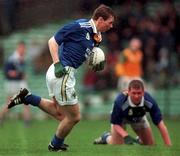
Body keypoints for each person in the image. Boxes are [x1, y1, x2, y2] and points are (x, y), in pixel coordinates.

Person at [7, 4, 115, 152]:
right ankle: (54, 145)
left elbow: (86, 54)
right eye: (109, 22)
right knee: (74, 117)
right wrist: (58, 64)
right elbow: (52, 41)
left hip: (60, 74)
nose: (111, 26)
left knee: (60, 114)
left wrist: (95, 63)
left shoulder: (98, 37)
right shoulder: (79, 26)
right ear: (100, 19)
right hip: (62, 72)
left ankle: (28, 97)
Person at [94, 79, 172, 146]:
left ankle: (139, 139)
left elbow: (161, 125)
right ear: (129, 92)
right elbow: (116, 124)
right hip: (121, 119)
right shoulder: (120, 102)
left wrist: (168, 145)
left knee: (149, 144)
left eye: (139, 93)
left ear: (143, 92)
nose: (136, 96)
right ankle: (106, 137)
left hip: (139, 118)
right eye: (134, 93)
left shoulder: (149, 102)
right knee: (117, 144)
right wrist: (126, 135)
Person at [0, 41, 31, 126]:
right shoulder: (12, 59)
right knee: (10, 104)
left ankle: (27, 121)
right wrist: (19, 74)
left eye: (24, 48)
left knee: (26, 101)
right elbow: (8, 73)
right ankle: (1, 116)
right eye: (22, 48)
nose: (23, 50)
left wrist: (22, 75)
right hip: (12, 84)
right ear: (18, 48)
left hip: (20, 83)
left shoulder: (21, 59)